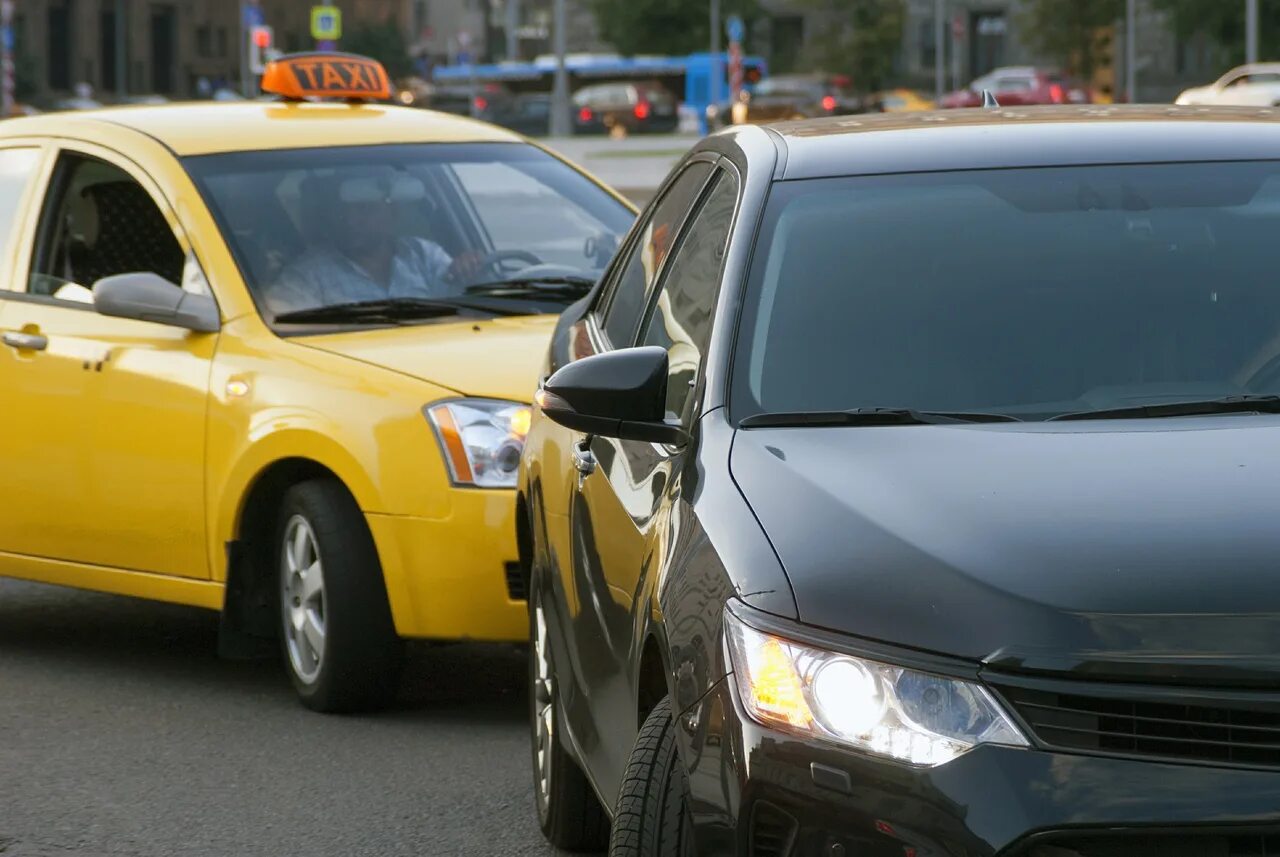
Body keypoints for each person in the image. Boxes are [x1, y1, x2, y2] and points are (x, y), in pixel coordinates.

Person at [264, 170, 481, 314]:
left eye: (364, 209)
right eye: (342, 212)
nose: (351, 220)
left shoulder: (424, 254)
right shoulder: (308, 274)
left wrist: (469, 270)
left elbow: (462, 301)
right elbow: (283, 325)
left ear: (392, 213)